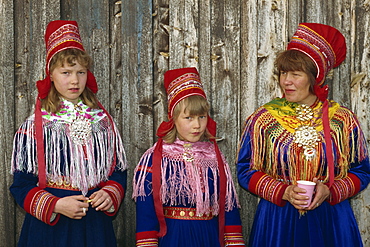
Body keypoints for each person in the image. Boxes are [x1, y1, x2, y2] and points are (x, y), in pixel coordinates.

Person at [236, 23, 370, 247]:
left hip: (331, 221)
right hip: (278, 222)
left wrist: (330, 190)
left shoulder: (342, 121)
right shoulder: (264, 120)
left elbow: (362, 171)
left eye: (295, 74)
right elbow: (245, 170)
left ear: (315, 78)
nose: (286, 81)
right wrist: (284, 191)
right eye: (283, 73)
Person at [9, 20, 127, 247]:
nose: (74, 80)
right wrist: (56, 205)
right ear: (50, 74)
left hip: (94, 227)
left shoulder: (103, 122)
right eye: (66, 72)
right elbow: (21, 185)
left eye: (80, 72)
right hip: (51, 231)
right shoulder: (36, 126)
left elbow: (118, 171)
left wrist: (110, 193)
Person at [132, 67, 245, 246]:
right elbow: (146, 210)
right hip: (173, 237)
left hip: (209, 237)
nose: (197, 125)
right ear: (173, 118)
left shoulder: (214, 158)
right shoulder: (156, 158)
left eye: (202, 117)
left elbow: (228, 206)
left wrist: (234, 242)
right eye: (188, 118)